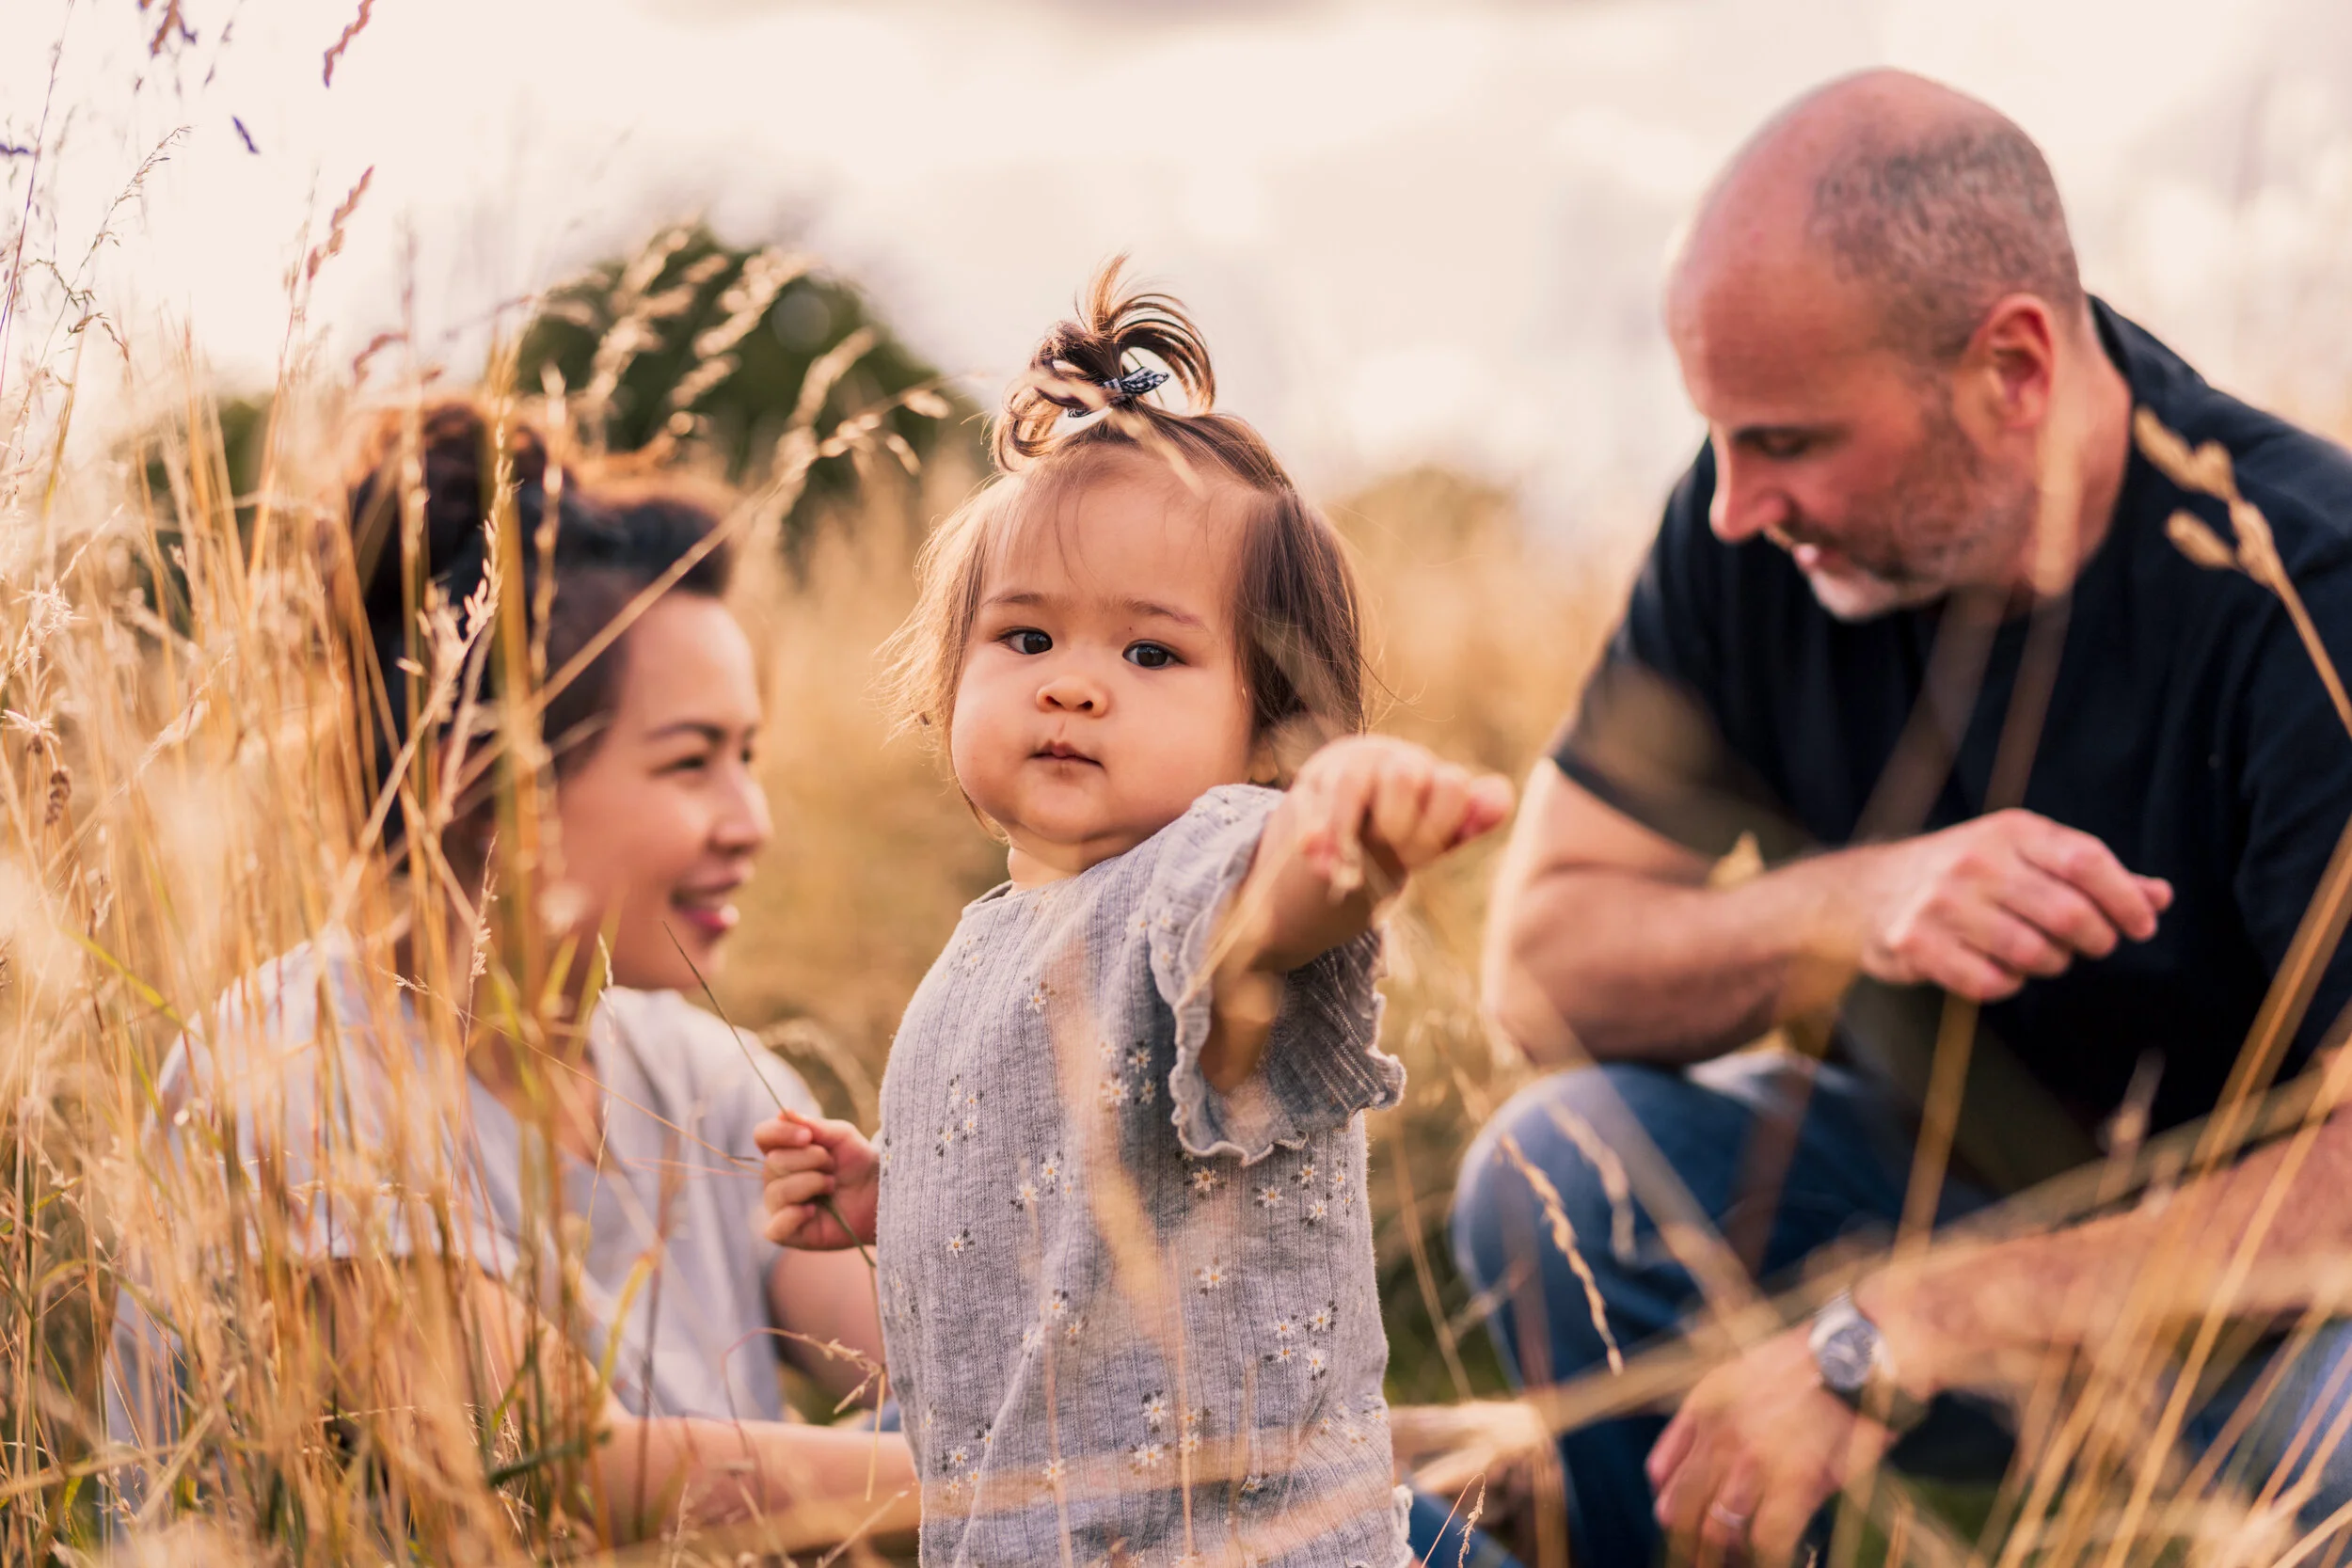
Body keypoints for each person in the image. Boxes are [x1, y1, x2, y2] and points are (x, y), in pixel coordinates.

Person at [1458, 69, 2352, 1565]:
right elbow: (1539, 962)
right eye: (1721, 439)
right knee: (1555, 1167)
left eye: (1791, 442)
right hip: (1902, 1193)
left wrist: (1910, 1323)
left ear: (2012, 366)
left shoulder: (2303, 589)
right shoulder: (1756, 529)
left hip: (2264, 1319)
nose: (1735, 502)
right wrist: (1839, 901)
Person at [750, 263, 1515, 1566]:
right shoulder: (987, 937)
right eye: (1027, 639)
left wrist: (1344, 838)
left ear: (1268, 726)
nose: (1076, 687)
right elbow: (1060, 1157)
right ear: (949, 677)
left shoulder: (1207, 859)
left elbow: (1269, 923)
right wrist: (906, 1185)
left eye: (1151, 653)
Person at [107, 400, 914, 1545]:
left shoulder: (700, 1074)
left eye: (750, 756)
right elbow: (561, 1461)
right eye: (691, 762)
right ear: (485, 783)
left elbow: (938, 1363)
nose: (753, 821)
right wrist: (1022, 1476)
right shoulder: (302, 1070)